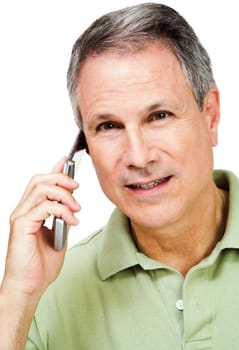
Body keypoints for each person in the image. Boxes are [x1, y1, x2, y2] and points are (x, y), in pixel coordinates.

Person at [0, 2, 238, 349]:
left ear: (211, 116)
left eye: (159, 115)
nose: (139, 156)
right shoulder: (44, 289)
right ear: (86, 146)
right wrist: (18, 296)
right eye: (109, 126)